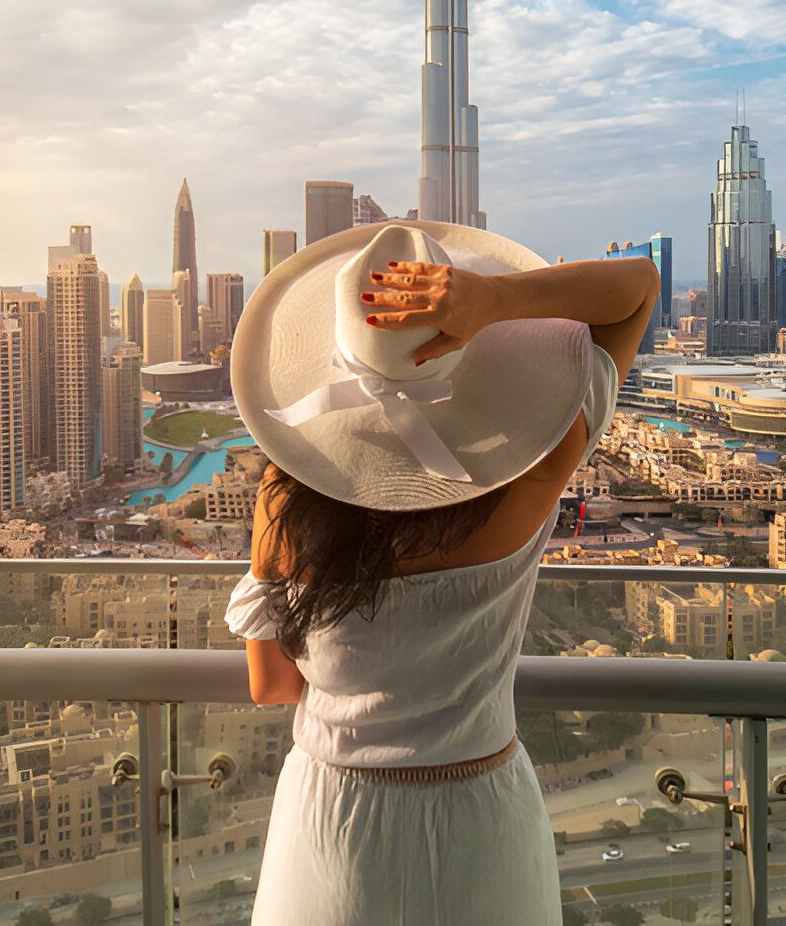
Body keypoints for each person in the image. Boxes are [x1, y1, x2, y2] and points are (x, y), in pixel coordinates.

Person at [225, 220, 658, 924]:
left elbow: (272, 685)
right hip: (481, 812)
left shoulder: (285, 496)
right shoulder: (536, 468)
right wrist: (494, 300)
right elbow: (637, 287)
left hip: (332, 821)